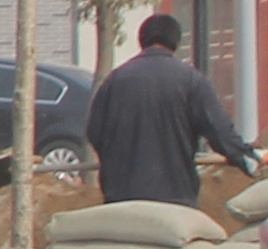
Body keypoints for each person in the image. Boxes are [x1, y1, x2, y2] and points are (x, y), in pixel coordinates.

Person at [84, 11, 258, 209]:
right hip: (175, 198)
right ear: (176, 42)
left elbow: (95, 132)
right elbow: (219, 131)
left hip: (121, 198)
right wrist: (248, 159)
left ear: (142, 40)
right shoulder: (191, 81)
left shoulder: (114, 81)